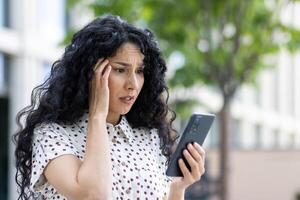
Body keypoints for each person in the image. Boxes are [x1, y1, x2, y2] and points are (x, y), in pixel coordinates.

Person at [13, 15, 206, 200]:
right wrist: (98, 116)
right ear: (90, 74)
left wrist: (178, 188)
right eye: (120, 70)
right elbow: (92, 196)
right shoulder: (53, 135)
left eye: (139, 71)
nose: (133, 84)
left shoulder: (147, 136)